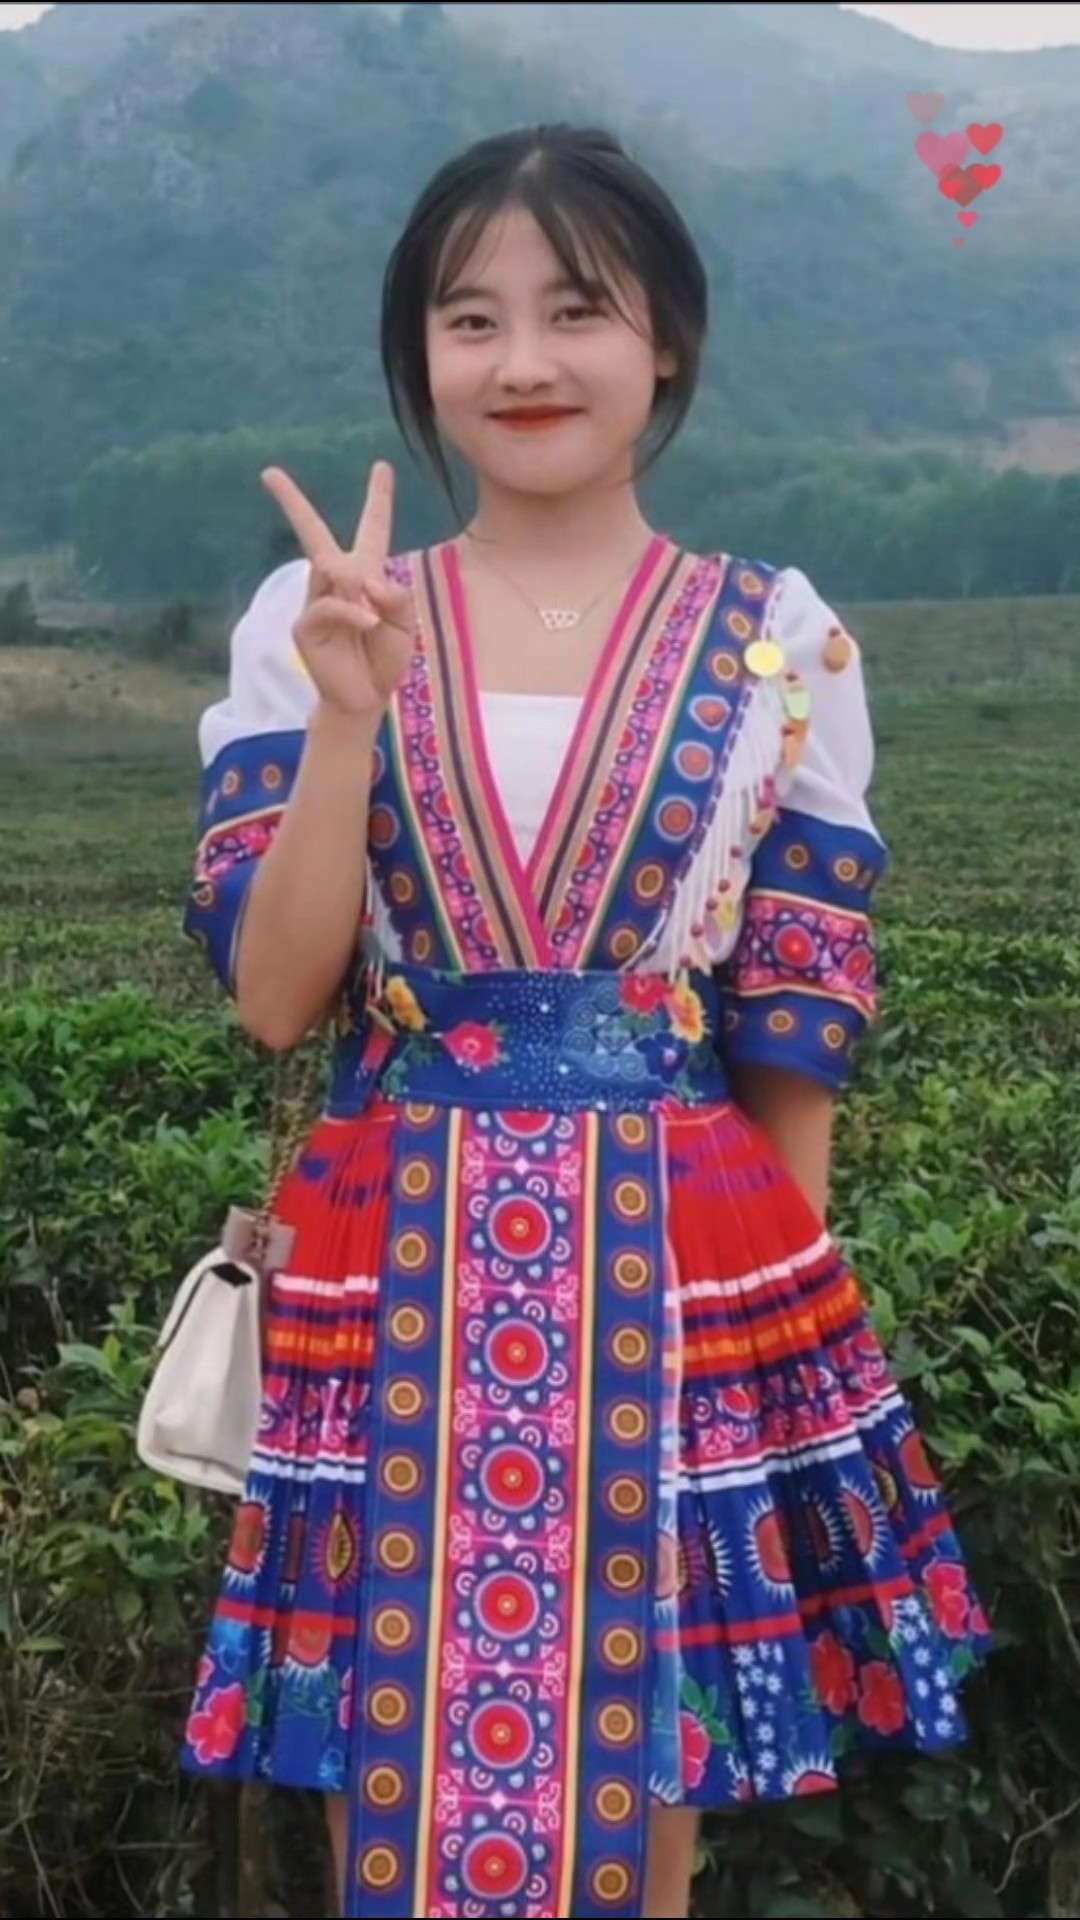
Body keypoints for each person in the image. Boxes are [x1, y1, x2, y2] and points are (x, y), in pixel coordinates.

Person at [177, 124, 991, 1920]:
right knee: (392, 1754)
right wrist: (343, 714)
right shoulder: (314, 619)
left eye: (577, 310)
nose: (523, 361)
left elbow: (791, 1026)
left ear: (664, 340)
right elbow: (276, 998)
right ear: (421, 357)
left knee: (642, 1766)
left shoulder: (779, 638)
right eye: (470, 320)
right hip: (398, 1250)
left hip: (680, 1270)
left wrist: (777, 1350)